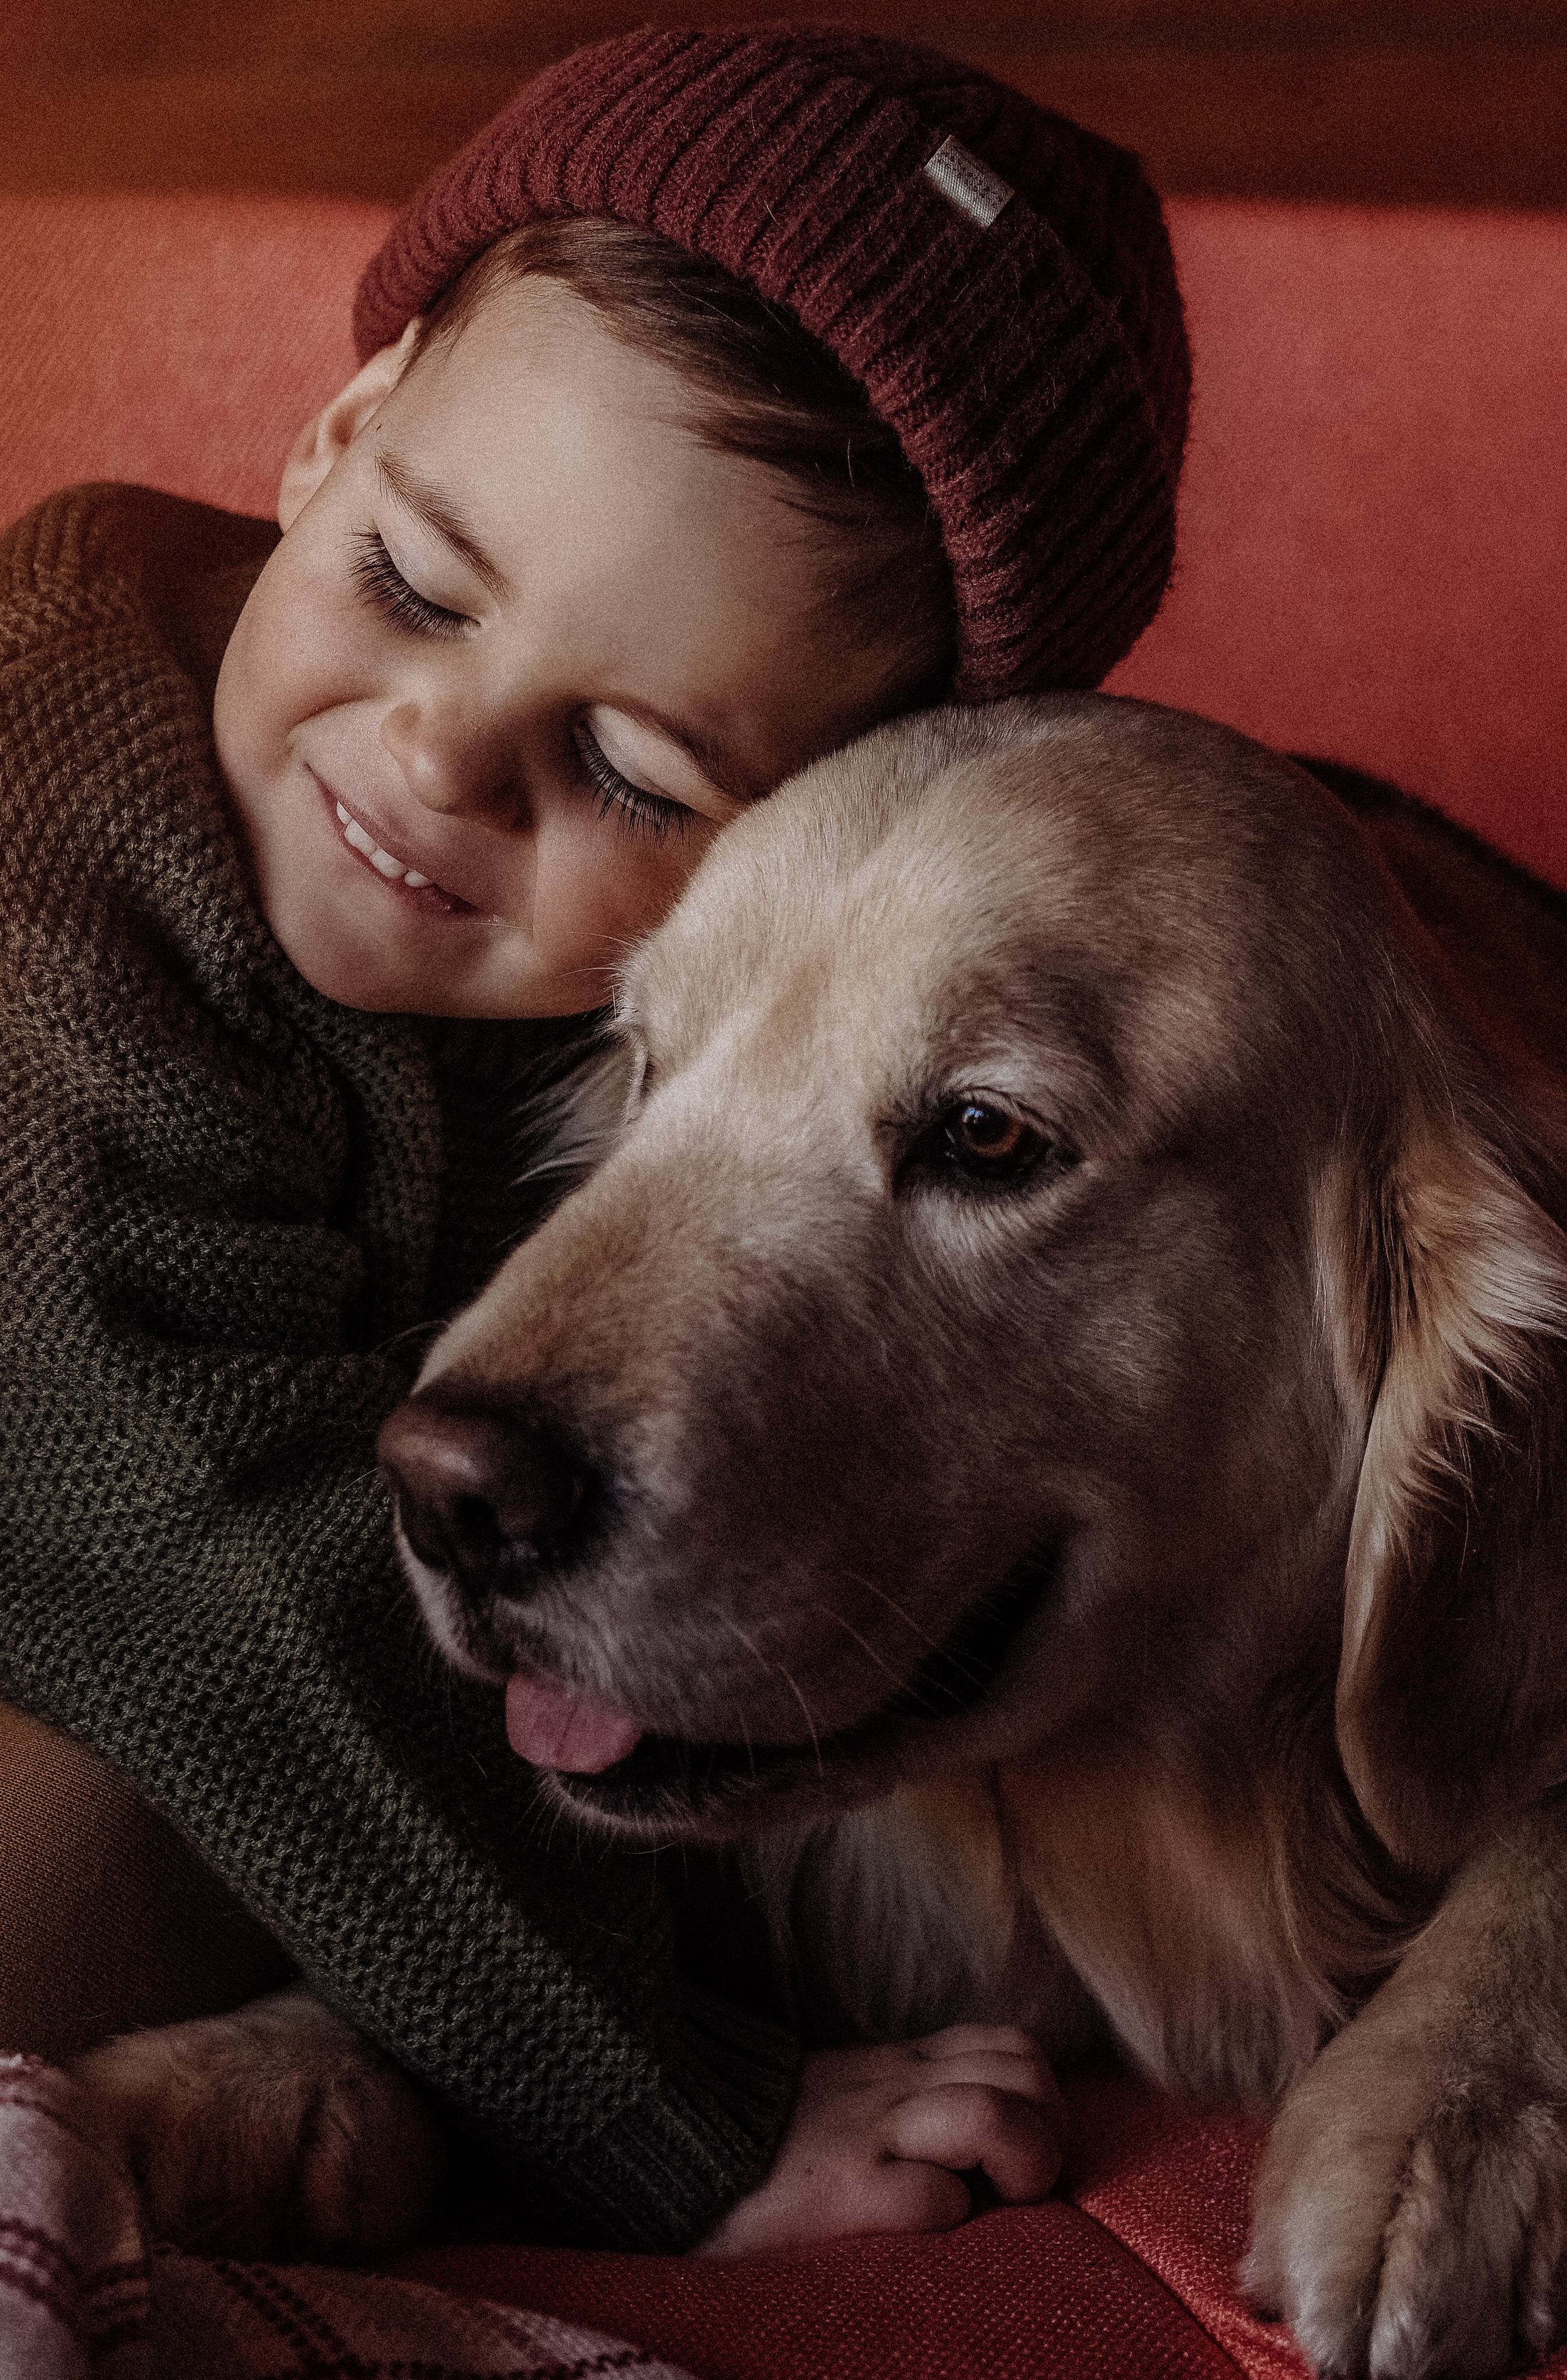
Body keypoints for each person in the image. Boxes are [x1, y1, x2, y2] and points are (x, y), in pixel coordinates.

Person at [0, 23, 1190, 2254]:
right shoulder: (50, 846)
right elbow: (224, 1561)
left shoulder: (654, 1021)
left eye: (639, 771)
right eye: (417, 586)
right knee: (164, 1799)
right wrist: (687, 2124)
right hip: (132, 1577)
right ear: (336, 435)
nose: (439, 755)